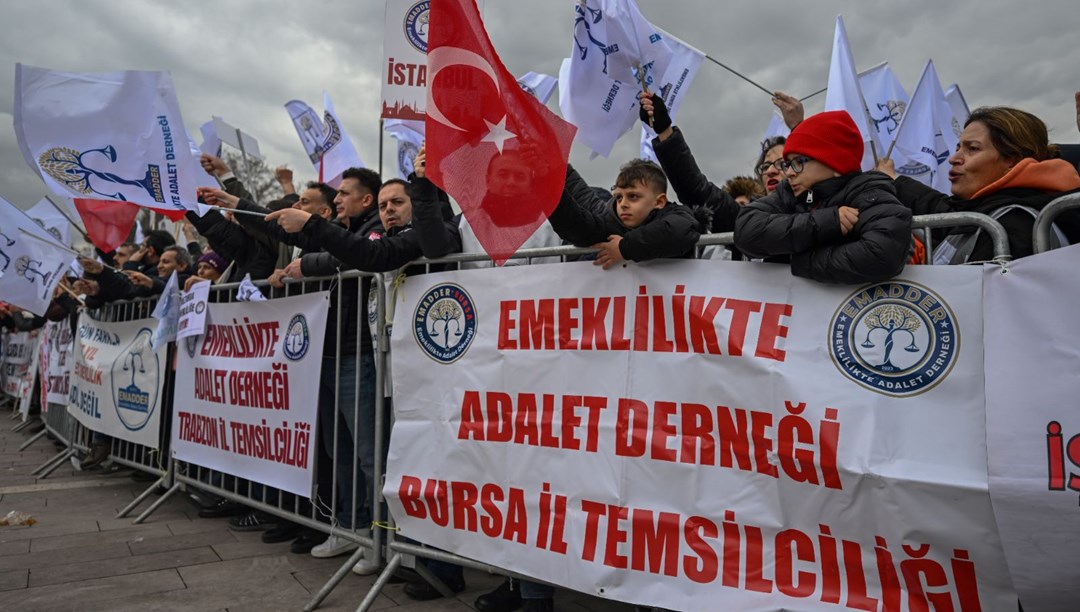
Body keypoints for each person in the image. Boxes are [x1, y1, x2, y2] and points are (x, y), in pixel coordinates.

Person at [877, 106, 1080, 262]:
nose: (954, 158)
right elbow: (946, 212)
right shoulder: (989, 213)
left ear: (1012, 160)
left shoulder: (1015, 224)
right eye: (958, 148)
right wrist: (895, 182)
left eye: (972, 149)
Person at [735, 110, 912, 284]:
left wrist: (797, 261)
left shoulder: (868, 192)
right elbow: (747, 231)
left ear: (835, 164)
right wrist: (826, 222)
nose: (788, 173)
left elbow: (881, 254)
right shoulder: (789, 192)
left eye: (798, 162)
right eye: (788, 164)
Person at [548, 158, 706, 270]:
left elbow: (678, 230)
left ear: (659, 201)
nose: (623, 204)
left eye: (633, 196)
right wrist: (546, 176)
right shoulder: (607, 222)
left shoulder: (677, 216)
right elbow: (575, 226)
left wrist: (624, 248)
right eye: (618, 197)